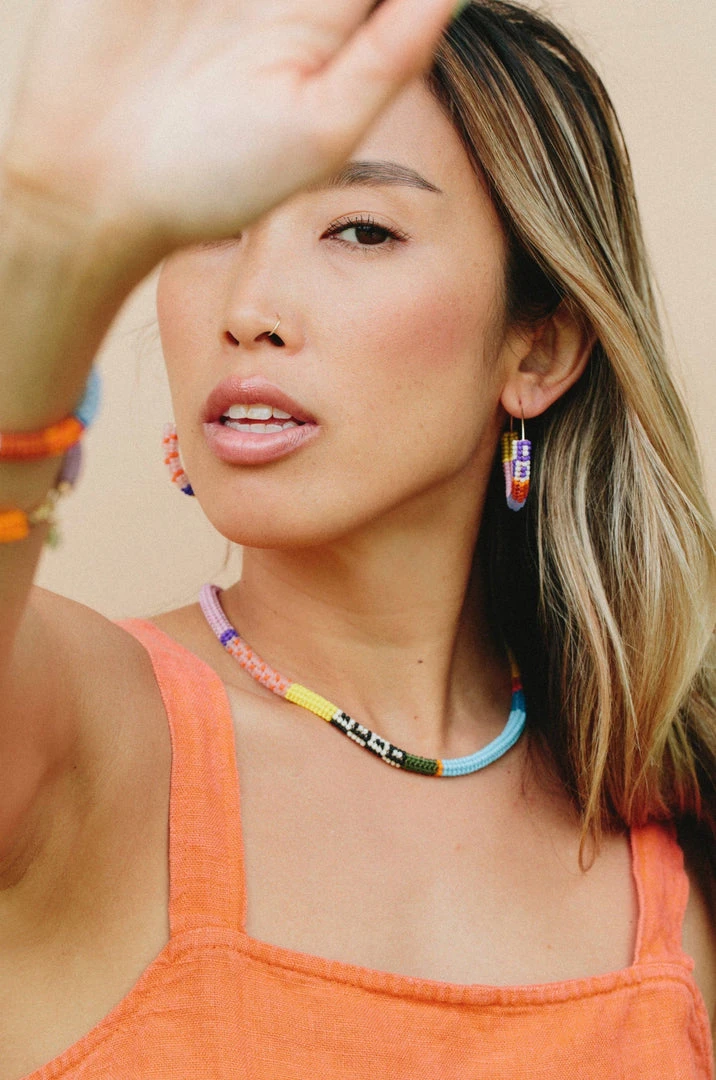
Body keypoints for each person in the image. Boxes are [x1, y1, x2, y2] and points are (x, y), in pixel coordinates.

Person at [0, 0, 713, 1076]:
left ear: (537, 350)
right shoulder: (76, 730)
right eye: (213, 223)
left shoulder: (671, 827)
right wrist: (48, 231)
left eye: (361, 230)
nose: (249, 306)